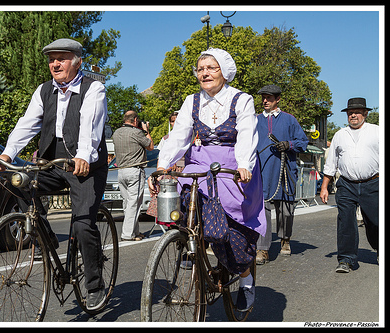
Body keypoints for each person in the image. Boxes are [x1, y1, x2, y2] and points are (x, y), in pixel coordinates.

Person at [0, 38, 109, 310]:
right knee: (17, 179)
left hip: (86, 165)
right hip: (53, 162)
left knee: (82, 224)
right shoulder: (44, 90)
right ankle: (46, 234)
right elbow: (27, 124)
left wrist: (83, 156)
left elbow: (90, 124)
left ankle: (94, 285)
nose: (55, 64)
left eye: (62, 58)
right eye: (51, 59)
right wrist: (8, 154)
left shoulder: (94, 89)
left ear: (77, 61)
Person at [150, 48, 266, 312]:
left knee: (233, 229)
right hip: (200, 164)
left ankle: (245, 279)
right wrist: (162, 165)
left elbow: (247, 134)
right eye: (201, 69)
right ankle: (190, 244)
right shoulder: (191, 101)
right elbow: (178, 136)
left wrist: (245, 165)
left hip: (232, 166)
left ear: (224, 72)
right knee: (184, 201)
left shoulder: (241, 99)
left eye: (211, 68)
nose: (205, 73)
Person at [320, 97, 379, 273]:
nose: (353, 115)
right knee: (345, 221)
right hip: (346, 184)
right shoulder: (340, 135)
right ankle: (346, 259)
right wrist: (324, 186)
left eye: (357, 112)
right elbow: (331, 163)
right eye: (350, 113)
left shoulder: (377, 132)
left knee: (375, 222)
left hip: (373, 183)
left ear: (365, 114)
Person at [255, 84, 308, 264]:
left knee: (286, 212)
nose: (265, 101)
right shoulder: (254, 120)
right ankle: (262, 249)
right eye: (263, 97)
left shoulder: (289, 120)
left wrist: (289, 145)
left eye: (269, 98)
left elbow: (303, 142)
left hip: (284, 170)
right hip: (262, 173)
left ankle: (285, 238)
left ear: (277, 99)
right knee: (263, 212)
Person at [112, 110, 154, 241]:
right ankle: (128, 234)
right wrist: (146, 130)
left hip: (121, 171)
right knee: (134, 203)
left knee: (128, 203)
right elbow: (151, 146)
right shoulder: (137, 132)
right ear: (135, 120)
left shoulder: (116, 133)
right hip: (134, 171)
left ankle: (135, 232)